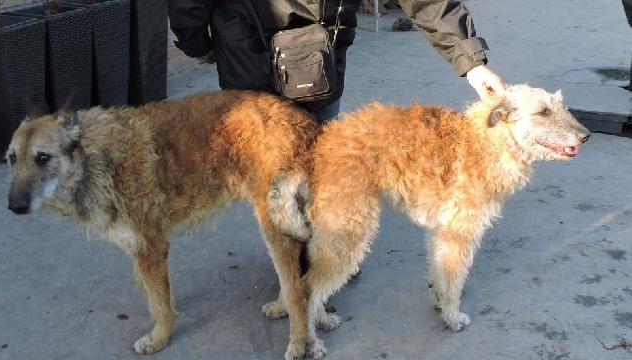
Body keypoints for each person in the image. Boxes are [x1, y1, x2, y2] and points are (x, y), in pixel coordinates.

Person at [167, 0, 505, 310]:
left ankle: (313, 268)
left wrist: (196, 42)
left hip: (282, 57)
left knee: (304, 173)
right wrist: (470, 60)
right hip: (297, 58)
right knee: (296, 176)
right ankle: (308, 273)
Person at [167, 0, 506, 124]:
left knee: (296, 167)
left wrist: (471, 61)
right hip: (284, 64)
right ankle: (305, 259)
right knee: (291, 166)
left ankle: (312, 257)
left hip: (313, 66)